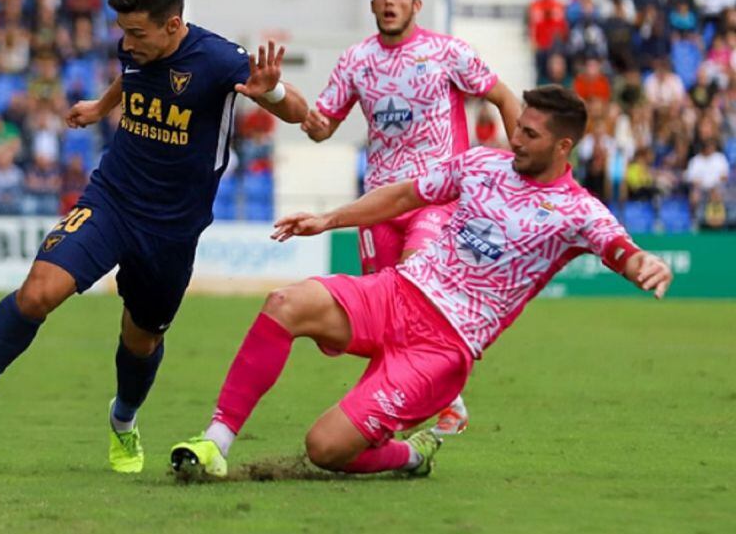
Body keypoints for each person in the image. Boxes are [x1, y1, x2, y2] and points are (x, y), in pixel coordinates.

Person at [169, 85, 673, 480]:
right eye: (518, 126)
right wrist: (328, 219)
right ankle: (215, 442)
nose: (516, 139)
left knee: (324, 449)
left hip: (442, 346)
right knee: (284, 302)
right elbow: (404, 196)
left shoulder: (577, 210)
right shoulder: (482, 164)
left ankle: (411, 456)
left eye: (531, 135)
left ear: (564, 146)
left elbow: (619, 250)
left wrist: (642, 263)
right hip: (399, 292)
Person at [0, 0, 309, 473]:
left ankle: (123, 421)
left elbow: (299, 113)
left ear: (173, 25)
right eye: (121, 32)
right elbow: (130, 77)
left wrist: (272, 93)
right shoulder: (132, 48)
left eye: (137, 33)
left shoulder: (220, 61)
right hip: (111, 199)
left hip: (171, 230)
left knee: (141, 338)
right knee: (37, 293)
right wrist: (100, 105)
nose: (126, 44)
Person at [299, 0, 523, 435]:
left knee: (416, 290)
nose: (389, 1)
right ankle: (416, 402)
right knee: (385, 318)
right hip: (380, 203)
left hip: (437, 198)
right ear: (372, 3)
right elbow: (322, 127)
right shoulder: (356, 61)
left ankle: (443, 398)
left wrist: (521, 159)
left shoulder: (447, 53)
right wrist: (284, 100)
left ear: (416, 4)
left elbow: (502, 96)